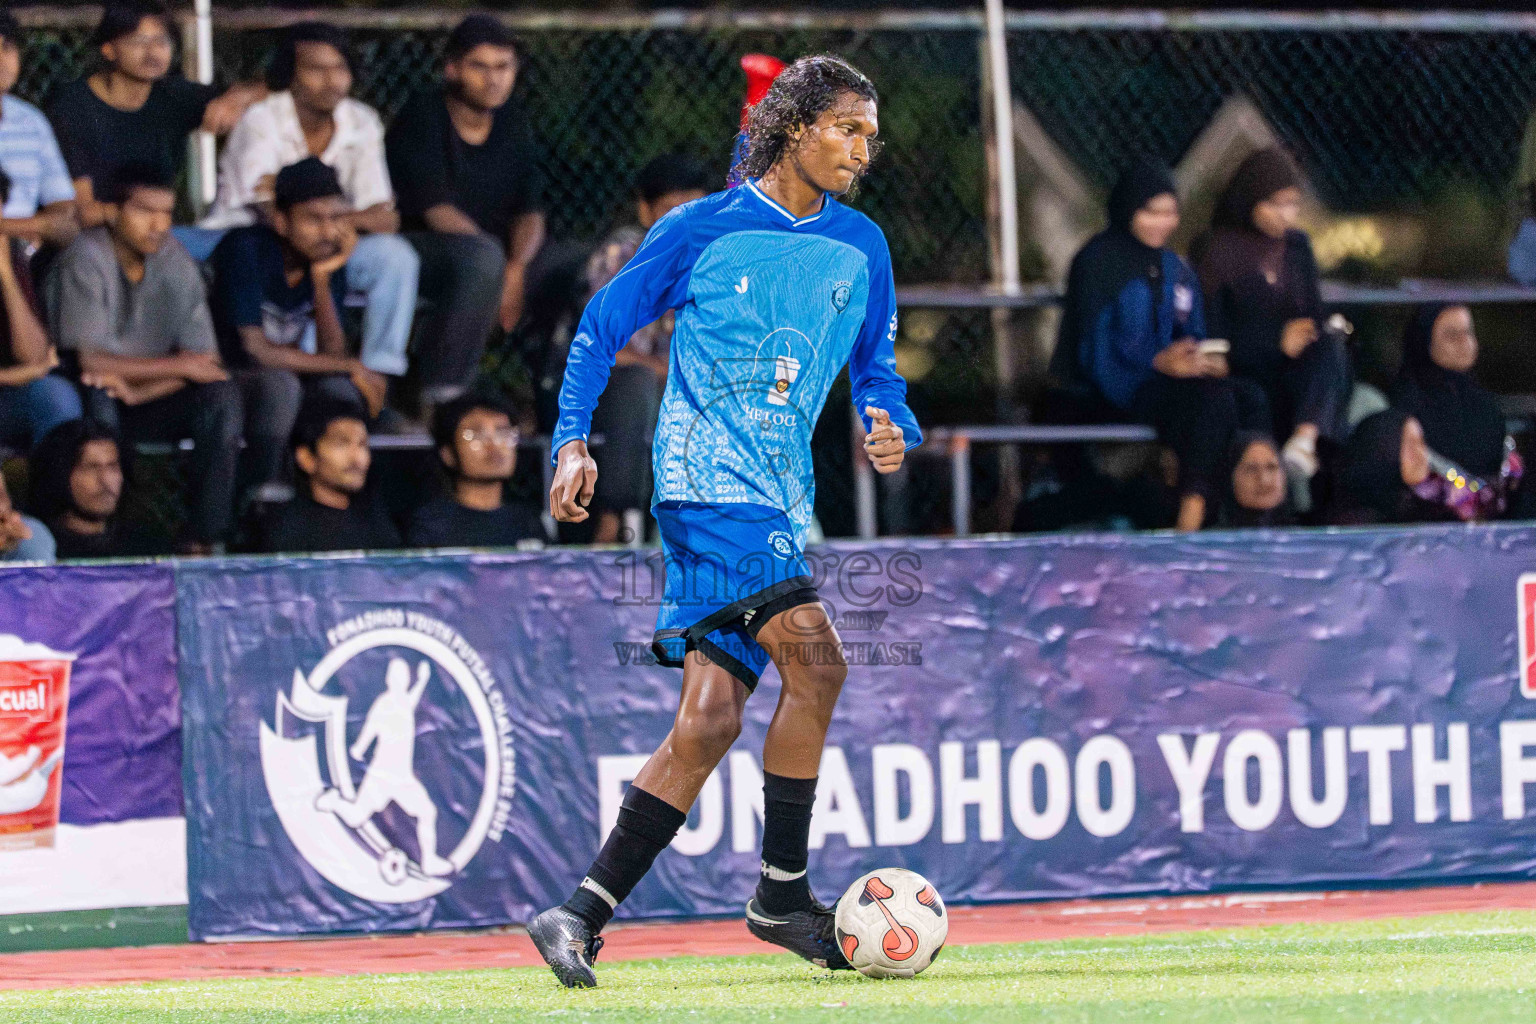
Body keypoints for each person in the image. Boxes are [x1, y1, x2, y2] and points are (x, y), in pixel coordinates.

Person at [528, 55, 921, 988]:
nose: (863, 151)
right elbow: (600, 324)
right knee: (818, 660)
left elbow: (879, 369)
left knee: (707, 724)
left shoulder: (862, 245)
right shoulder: (700, 228)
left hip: (782, 498)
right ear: (793, 129)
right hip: (707, 485)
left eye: (871, 136)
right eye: (847, 130)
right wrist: (570, 442)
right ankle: (782, 894)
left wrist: (891, 422)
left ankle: (576, 913)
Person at [198, 22, 417, 405]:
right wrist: (329, 221)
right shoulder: (263, 118)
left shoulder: (361, 121)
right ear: (290, 77)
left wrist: (328, 226)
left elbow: (385, 217)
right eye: (316, 69)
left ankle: (378, 377)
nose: (330, 80)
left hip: (317, 242)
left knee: (396, 257)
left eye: (339, 69)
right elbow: (263, 206)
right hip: (243, 235)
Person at [1055, 160, 1266, 531]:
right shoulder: (1098, 263)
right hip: (1116, 392)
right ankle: (1193, 513)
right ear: (1128, 210)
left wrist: (1201, 359)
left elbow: (1192, 331)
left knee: (1250, 397)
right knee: (1211, 404)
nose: (1162, 223)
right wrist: (1157, 364)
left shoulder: (1175, 267)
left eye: (1170, 214)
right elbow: (1092, 353)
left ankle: (1252, 510)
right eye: (1151, 213)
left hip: (1170, 384)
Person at [48, 164, 241, 553]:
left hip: (147, 396)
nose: (158, 225)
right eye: (144, 211)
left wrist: (144, 390)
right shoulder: (85, 257)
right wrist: (180, 367)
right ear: (114, 212)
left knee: (221, 395)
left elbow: (206, 364)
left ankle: (206, 537)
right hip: (92, 393)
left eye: (167, 213)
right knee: (99, 396)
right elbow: (92, 363)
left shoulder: (175, 258)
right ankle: (114, 536)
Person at [386, 14, 545, 403]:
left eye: (503, 67)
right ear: (453, 69)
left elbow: (531, 213)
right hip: (423, 249)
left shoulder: (513, 122)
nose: (493, 79)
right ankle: (441, 399)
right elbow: (435, 211)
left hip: (496, 258)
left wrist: (515, 269)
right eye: (480, 66)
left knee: (575, 266)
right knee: (481, 260)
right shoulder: (423, 116)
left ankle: (554, 401)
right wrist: (497, 269)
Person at [210, 158, 386, 493]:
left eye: (336, 218)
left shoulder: (323, 257)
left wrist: (322, 279)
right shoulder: (245, 249)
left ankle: (337, 504)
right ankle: (264, 496)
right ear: (281, 221)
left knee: (341, 391)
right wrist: (349, 365)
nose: (328, 230)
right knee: (283, 386)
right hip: (223, 376)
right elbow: (255, 350)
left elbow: (330, 351)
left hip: (276, 374)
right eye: (313, 219)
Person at [1196, 147, 1351, 486]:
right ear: (1251, 200)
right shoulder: (1216, 249)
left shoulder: (1297, 247)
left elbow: (1313, 311)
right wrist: (1275, 343)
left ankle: (1303, 444)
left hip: (1300, 374)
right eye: (1276, 204)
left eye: (1293, 204)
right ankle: (1296, 471)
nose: (1286, 215)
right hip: (1249, 370)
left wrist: (1316, 331)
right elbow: (1214, 339)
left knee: (1332, 346)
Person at [584, 154, 714, 543]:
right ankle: (614, 525)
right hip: (609, 394)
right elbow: (607, 351)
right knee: (636, 383)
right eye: (671, 209)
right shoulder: (624, 255)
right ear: (645, 210)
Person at [47, 0, 260, 228]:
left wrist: (234, 100)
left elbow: (266, 91)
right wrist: (136, 214)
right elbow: (83, 211)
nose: (153, 52)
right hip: (95, 234)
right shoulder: (74, 107)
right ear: (108, 49)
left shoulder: (171, 95)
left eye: (161, 41)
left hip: (156, 230)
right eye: (139, 42)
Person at [0, 171, 80, 454]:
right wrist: (17, 375)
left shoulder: (8, 253)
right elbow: (31, 368)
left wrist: (6, 275)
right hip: (9, 379)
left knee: (56, 397)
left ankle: (52, 497)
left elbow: (34, 355)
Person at [257, 399, 400, 553]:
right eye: (341, 443)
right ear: (307, 458)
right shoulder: (283, 530)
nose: (357, 458)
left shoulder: (379, 524)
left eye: (362, 444)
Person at [406, 389, 541, 548]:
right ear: (448, 453)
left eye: (503, 433)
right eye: (476, 435)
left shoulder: (529, 522)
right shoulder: (429, 528)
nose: (494, 446)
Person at [27, 418, 169, 558]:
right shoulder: (37, 547)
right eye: (90, 468)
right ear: (60, 474)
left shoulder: (146, 545)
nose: (106, 481)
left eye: (112, 467)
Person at [0, 10, 78, 250]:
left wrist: (37, 228)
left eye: (7, 48)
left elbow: (64, 208)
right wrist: (38, 226)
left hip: (27, 255)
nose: (1, 60)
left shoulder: (31, 121)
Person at [1217, 432, 1292, 528]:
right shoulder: (1210, 541)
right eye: (1251, 469)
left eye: (1271, 467)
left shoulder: (1304, 540)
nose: (1264, 480)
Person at [0, 470, 53, 562]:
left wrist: (9, 549)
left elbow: (41, 572)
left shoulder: (30, 530)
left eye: (1, 495)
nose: (1, 506)